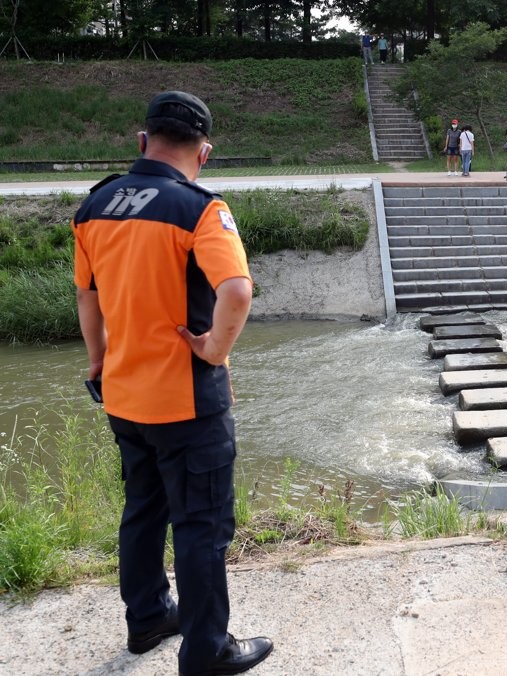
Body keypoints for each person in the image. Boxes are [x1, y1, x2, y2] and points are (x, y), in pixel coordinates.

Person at [72, 91, 273, 676]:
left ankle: (149, 619)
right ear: (203, 153)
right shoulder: (199, 210)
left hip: (124, 395)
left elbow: (88, 296)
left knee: (143, 508)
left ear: (142, 140)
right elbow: (236, 290)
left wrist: (97, 362)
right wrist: (212, 349)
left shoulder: (95, 206)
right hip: (186, 400)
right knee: (202, 524)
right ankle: (207, 649)